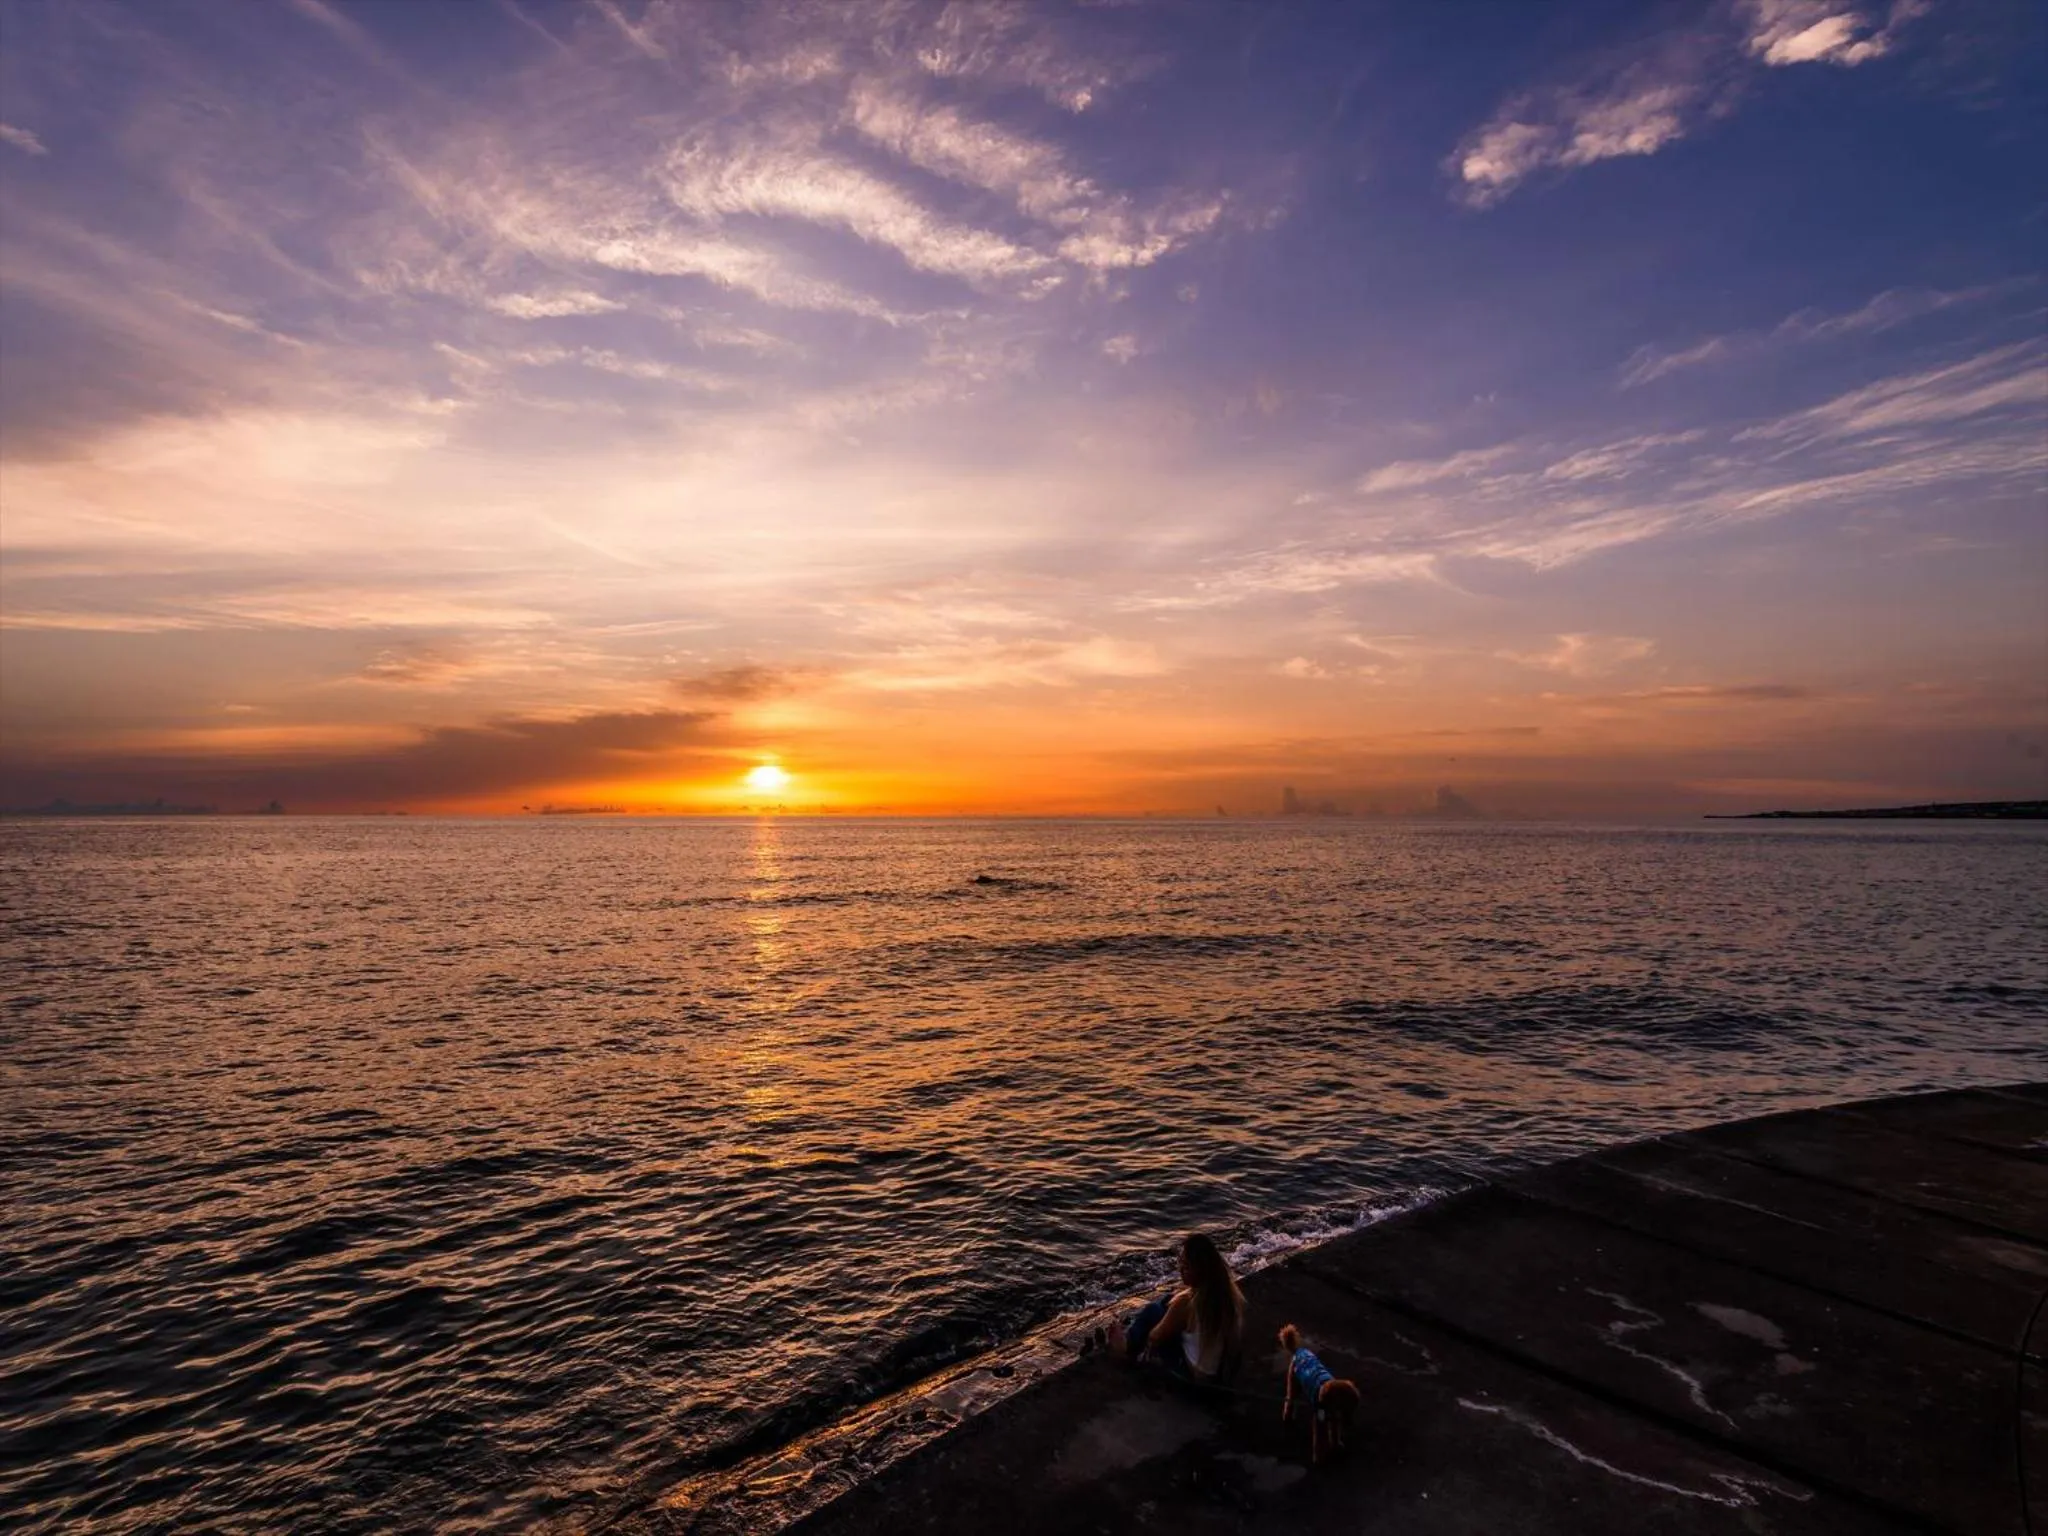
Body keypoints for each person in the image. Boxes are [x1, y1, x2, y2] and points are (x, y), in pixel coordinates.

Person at [1102, 1232, 1245, 1382]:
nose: (1180, 1269)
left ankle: (1125, 1345)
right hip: (1220, 1373)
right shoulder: (1227, 1294)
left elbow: (1155, 1337)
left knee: (1153, 1311)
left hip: (1195, 1376)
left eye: (1186, 1266)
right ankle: (1131, 1331)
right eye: (1181, 1262)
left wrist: (1164, 1321)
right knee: (1168, 1300)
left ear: (1198, 1270)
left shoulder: (1188, 1302)